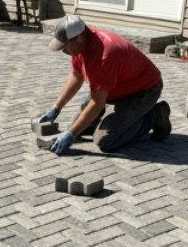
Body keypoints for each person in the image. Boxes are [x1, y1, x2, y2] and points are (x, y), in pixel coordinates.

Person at [40, 15, 171, 155]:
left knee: (105, 141)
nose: (63, 50)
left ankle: (154, 116)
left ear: (78, 38)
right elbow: (76, 75)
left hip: (144, 90)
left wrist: (70, 134)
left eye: (64, 46)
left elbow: (97, 102)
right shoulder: (81, 45)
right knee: (79, 127)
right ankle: (113, 121)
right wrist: (56, 108)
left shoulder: (103, 54)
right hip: (117, 88)